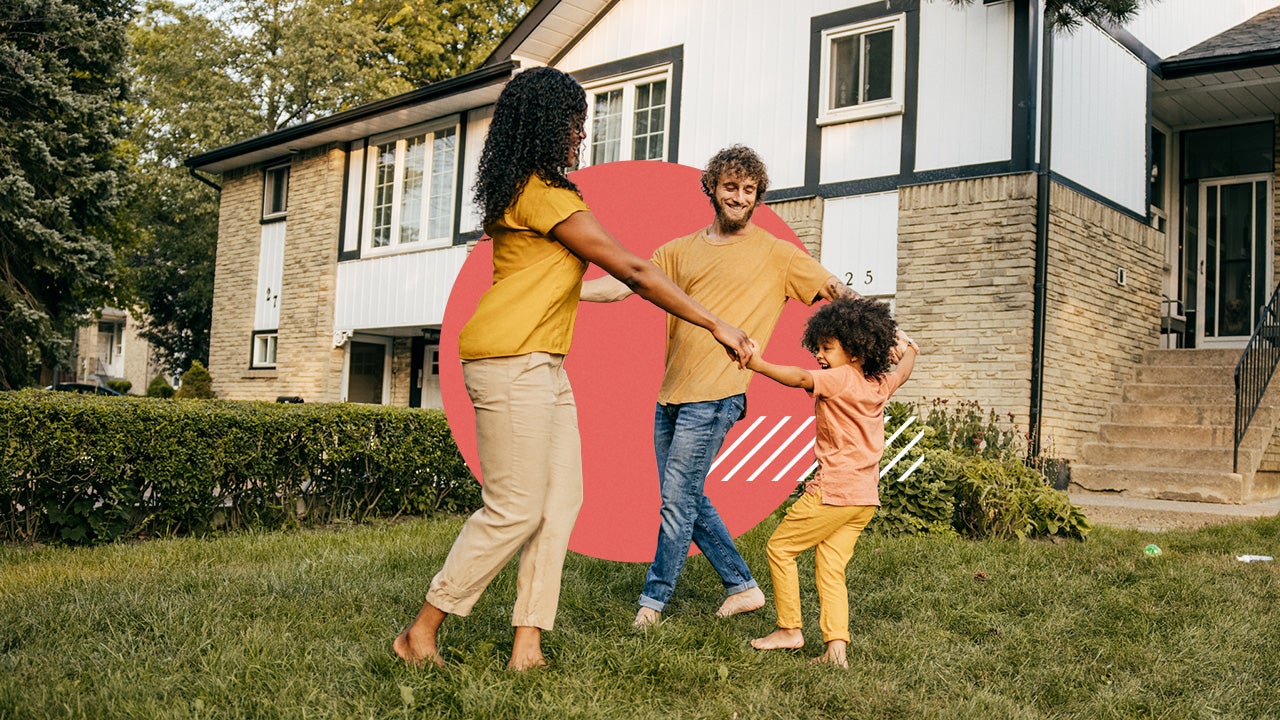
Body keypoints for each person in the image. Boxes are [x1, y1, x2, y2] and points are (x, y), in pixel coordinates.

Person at [393, 67, 753, 671]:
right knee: (515, 507)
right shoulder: (544, 195)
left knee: (561, 503)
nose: (580, 137)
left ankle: (527, 644)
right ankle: (421, 629)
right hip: (510, 361)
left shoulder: (521, 191)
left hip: (542, 364)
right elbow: (632, 270)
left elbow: (588, 284)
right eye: (574, 124)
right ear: (545, 125)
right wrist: (715, 322)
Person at [581, 146, 860, 628]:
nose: (740, 197)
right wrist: (563, 290)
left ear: (758, 197)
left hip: (718, 394)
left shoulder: (776, 253)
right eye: (731, 187)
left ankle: (652, 603)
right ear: (712, 187)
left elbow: (833, 287)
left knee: (676, 499)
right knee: (686, 495)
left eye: (749, 191)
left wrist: (877, 324)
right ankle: (742, 586)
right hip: (671, 394)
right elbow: (622, 284)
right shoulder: (678, 250)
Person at [747, 297, 918, 668]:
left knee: (780, 548)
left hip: (834, 491)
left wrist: (757, 363)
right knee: (830, 567)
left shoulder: (838, 378)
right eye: (818, 348)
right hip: (863, 498)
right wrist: (910, 347)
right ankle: (836, 650)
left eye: (828, 347)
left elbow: (799, 378)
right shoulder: (878, 384)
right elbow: (903, 371)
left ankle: (790, 629)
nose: (820, 355)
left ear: (855, 350)